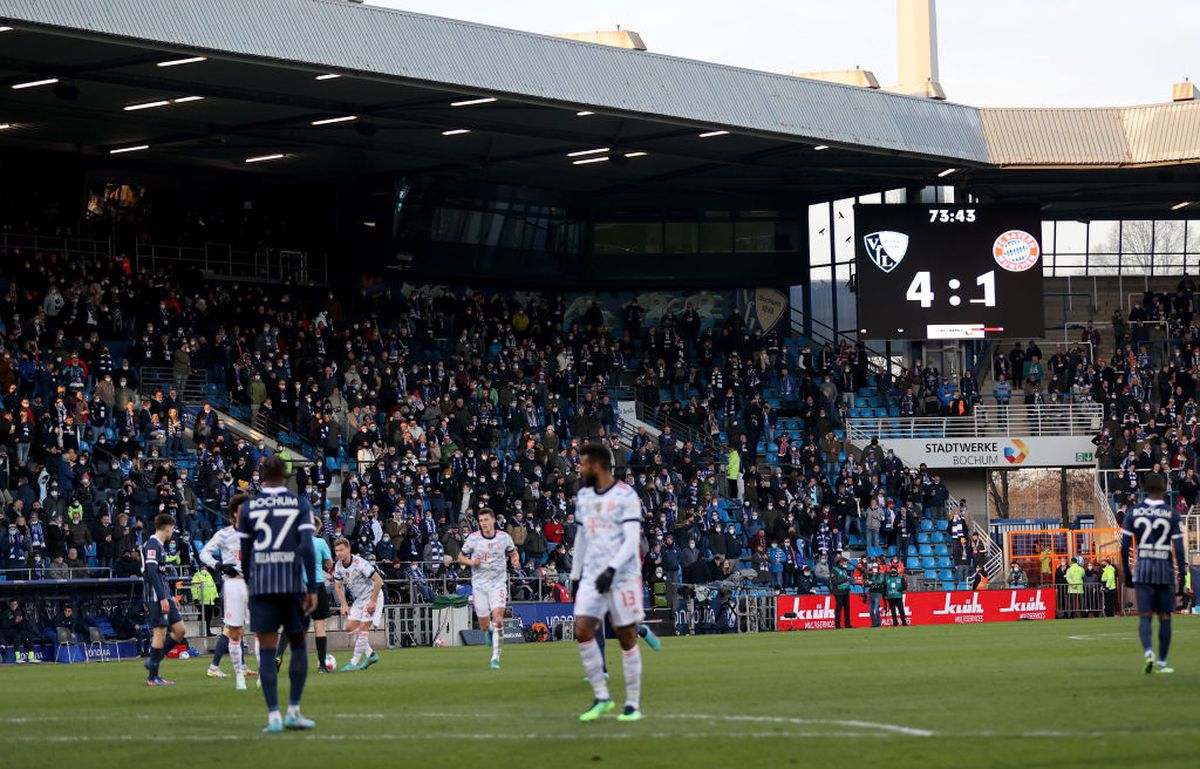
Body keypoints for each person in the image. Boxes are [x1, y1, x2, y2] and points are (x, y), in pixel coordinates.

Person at [237, 455, 319, 732]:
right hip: (292, 585)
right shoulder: (299, 504)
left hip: (263, 586)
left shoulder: (249, 508)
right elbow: (307, 547)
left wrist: (250, 583)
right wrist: (312, 587)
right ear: (286, 475)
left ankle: (273, 716)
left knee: (268, 651)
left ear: (261, 477)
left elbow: (245, 555)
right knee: (297, 646)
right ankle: (294, 710)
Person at [572, 443, 647, 723]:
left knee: (626, 635)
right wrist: (575, 576)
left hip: (623, 575)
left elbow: (631, 539)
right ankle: (602, 696)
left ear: (597, 466)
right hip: (592, 574)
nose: (579, 469)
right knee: (582, 629)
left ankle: (632, 704)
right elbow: (580, 537)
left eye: (583, 464)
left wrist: (612, 569)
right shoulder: (583, 497)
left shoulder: (626, 495)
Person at [1120, 472, 1187, 674]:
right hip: (1164, 571)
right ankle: (1162, 663)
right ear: (1165, 488)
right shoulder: (1171, 513)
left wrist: (1128, 575)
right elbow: (1180, 548)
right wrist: (1182, 579)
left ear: (1143, 488)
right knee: (1165, 617)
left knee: (1145, 616)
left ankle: (1149, 653)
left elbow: (1124, 547)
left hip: (1143, 570)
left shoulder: (1133, 512)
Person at [199, 493, 257, 688]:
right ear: (235, 513)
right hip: (233, 584)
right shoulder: (224, 534)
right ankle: (238, 674)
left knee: (260, 630)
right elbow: (204, 553)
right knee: (235, 630)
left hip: (254, 584)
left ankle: (261, 674)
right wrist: (219, 565)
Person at [458, 507, 519, 670]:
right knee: (484, 625)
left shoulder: (504, 537)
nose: (484, 523)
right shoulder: (473, 539)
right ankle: (488, 631)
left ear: (493, 520)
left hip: (498, 584)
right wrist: (471, 562)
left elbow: (513, 553)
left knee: (498, 619)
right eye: (481, 521)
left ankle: (495, 658)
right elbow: (460, 557)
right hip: (479, 586)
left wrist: (515, 561)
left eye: (486, 520)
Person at [142, 513, 190, 687]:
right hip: (155, 596)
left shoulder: (160, 546)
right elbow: (152, 572)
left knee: (180, 630)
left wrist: (169, 596)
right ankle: (153, 676)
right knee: (160, 632)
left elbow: (161, 575)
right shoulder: (153, 544)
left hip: (163, 595)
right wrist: (162, 598)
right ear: (168, 527)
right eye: (172, 528)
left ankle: (154, 660)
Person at [332, 537, 384, 672]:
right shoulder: (338, 566)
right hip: (360, 599)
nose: (338, 553)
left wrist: (373, 601)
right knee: (349, 627)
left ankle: (353, 663)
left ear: (348, 549)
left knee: (363, 629)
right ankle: (371, 654)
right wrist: (344, 605)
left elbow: (378, 581)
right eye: (336, 550)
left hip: (373, 595)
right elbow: (337, 587)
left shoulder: (360, 563)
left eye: (341, 550)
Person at [308, 515, 335, 673]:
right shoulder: (320, 542)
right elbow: (329, 562)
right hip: (317, 585)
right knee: (319, 626)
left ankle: (279, 657)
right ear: (317, 529)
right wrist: (324, 567)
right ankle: (323, 665)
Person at [1, 598, 41, 663]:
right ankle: (18, 658)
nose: (14, 606)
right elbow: (4, 625)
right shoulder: (5, 613)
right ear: (9, 605)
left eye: (15, 604)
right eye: (12, 604)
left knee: (29, 637)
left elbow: (22, 624)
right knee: (17, 636)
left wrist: (20, 622)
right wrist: (15, 622)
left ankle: (31, 658)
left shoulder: (19, 612)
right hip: (8, 632)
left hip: (18, 631)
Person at [830, 555, 852, 629]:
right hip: (838, 591)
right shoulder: (835, 570)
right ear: (840, 563)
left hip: (845, 591)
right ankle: (837, 624)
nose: (846, 563)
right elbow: (834, 582)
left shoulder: (844, 570)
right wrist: (845, 579)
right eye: (844, 562)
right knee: (839, 608)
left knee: (847, 609)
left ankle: (847, 624)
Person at [866, 561, 885, 628]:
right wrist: (868, 583)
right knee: (870, 610)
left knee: (876, 609)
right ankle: (874, 624)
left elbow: (880, 582)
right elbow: (866, 583)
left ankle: (878, 623)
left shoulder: (880, 574)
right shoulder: (870, 574)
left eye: (875, 567)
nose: (874, 568)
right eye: (873, 567)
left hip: (877, 593)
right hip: (871, 592)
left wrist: (872, 583)